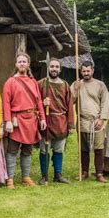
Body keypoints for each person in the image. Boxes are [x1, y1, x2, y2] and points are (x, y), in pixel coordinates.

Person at [2, 52, 46, 189]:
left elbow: (38, 102)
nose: (22, 64)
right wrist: (8, 120)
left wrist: (43, 118)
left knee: (27, 149)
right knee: (12, 150)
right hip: (17, 120)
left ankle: (25, 177)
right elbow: (6, 103)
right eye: (19, 61)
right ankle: (9, 178)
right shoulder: (10, 82)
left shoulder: (33, 82)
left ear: (28, 64)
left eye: (24, 61)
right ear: (16, 64)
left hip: (32, 120)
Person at [70, 61, 109, 183]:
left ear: (92, 70)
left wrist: (102, 119)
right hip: (82, 121)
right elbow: (70, 101)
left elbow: (105, 102)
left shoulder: (100, 85)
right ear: (81, 71)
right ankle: (84, 172)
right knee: (83, 149)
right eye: (84, 71)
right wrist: (75, 89)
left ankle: (99, 173)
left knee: (99, 148)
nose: (86, 73)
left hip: (96, 121)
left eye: (88, 71)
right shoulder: (77, 84)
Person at [38, 57, 75, 185]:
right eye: (52, 66)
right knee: (44, 150)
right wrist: (43, 103)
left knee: (59, 149)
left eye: (56, 67)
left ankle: (58, 174)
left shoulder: (65, 85)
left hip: (61, 121)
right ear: (48, 68)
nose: (54, 69)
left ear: (60, 69)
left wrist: (71, 124)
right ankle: (44, 175)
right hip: (46, 120)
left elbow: (70, 105)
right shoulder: (41, 83)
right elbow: (34, 102)